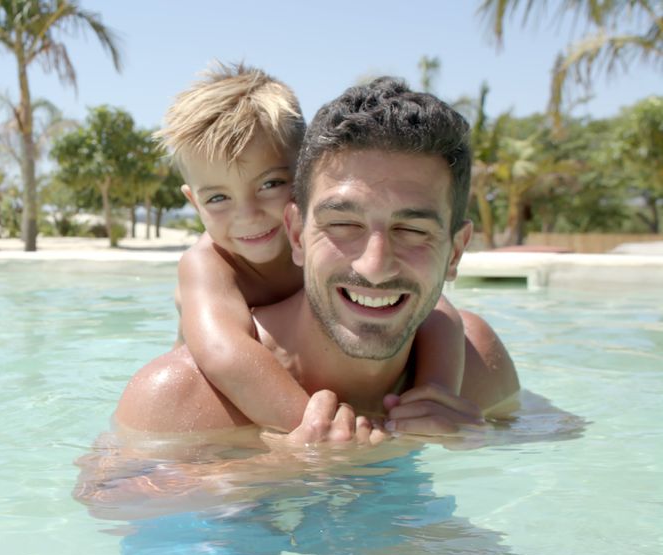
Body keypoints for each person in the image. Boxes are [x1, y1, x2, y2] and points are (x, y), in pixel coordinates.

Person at [117, 77, 521, 442]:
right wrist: (310, 432)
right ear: (300, 230)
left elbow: (442, 314)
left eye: (271, 184)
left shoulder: (480, 363)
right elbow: (225, 354)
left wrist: (437, 396)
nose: (248, 215)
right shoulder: (208, 265)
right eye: (218, 197)